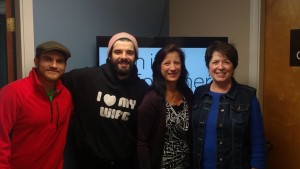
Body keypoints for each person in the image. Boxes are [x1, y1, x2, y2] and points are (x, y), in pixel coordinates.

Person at [62, 32, 149, 169]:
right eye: (118, 52)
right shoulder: (87, 78)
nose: (124, 57)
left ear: (136, 57)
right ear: (109, 55)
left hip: (125, 164)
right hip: (89, 162)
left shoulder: (143, 89)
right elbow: (53, 80)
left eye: (130, 53)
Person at [192, 41, 266, 169]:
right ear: (208, 66)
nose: (220, 67)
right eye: (215, 62)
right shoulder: (199, 93)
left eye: (226, 62)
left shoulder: (248, 97)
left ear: (233, 66)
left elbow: (258, 143)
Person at [0, 41, 73, 169]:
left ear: (65, 66)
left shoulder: (66, 96)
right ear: (36, 61)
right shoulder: (13, 92)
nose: (54, 65)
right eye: (47, 59)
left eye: (59, 61)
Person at [137, 43, 193, 169]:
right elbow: (142, 142)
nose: (172, 68)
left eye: (177, 63)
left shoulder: (188, 94)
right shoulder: (151, 100)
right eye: (167, 63)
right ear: (159, 67)